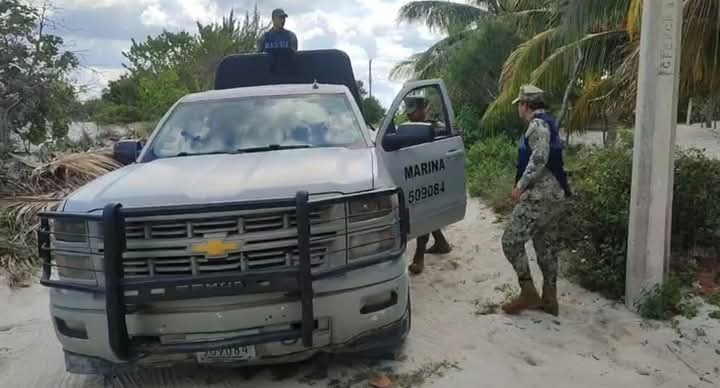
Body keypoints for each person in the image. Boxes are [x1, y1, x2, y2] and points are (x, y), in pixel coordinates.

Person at [501, 85, 571, 317]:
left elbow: (540, 157)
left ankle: (528, 291)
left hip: (540, 196)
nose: (518, 110)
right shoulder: (547, 122)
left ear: (525, 105)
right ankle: (550, 300)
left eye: (519, 105)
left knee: (510, 241)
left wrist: (520, 186)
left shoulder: (537, 125)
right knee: (546, 247)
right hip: (554, 196)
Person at [402, 96, 452, 275]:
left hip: (433, 176)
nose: (410, 116)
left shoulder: (436, 127)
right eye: (408, 113)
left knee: (424, 212)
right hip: (418, 176)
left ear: (424, 110)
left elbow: (450, 140)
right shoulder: (408, 129)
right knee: (425, 211)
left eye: (414, 112)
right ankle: (441, 243)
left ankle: (419, 257)